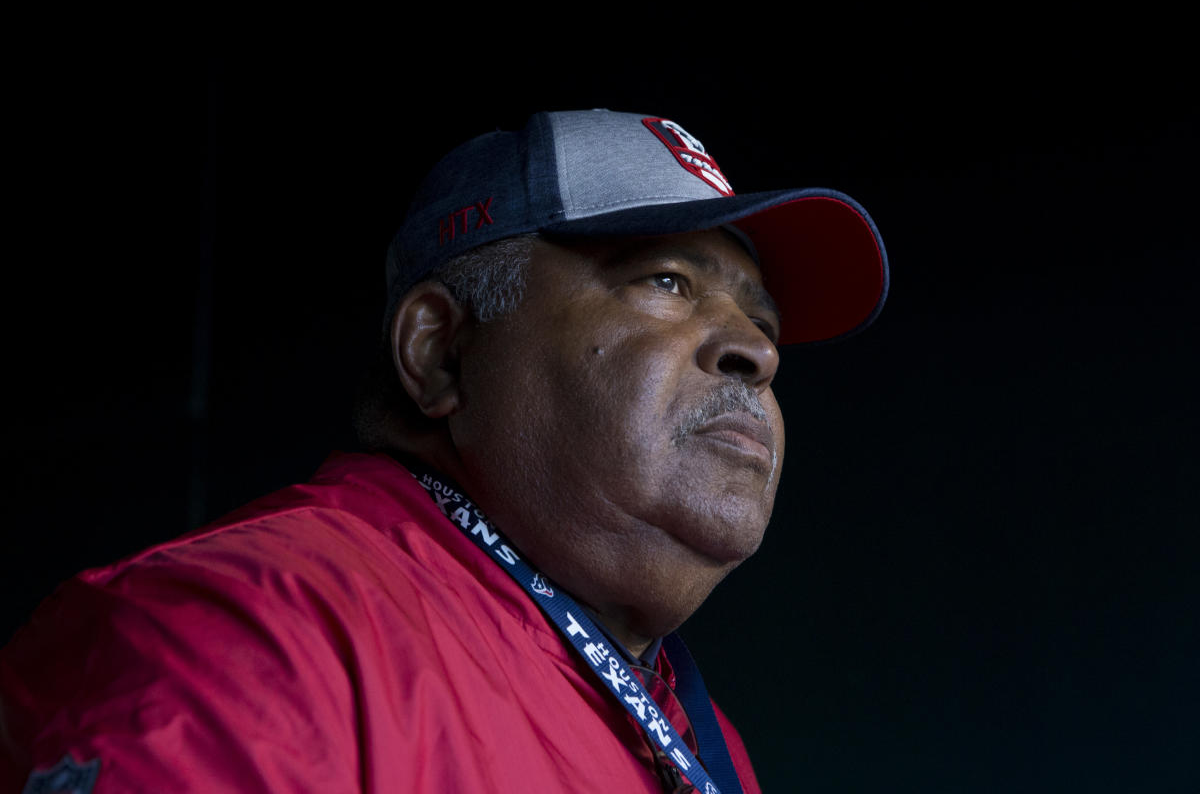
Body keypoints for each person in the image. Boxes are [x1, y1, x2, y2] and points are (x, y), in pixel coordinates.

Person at [1, 109, 888, 793]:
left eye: (761, 323)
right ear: (439, 349)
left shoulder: (702, 739)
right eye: (665, 281)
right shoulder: (252, 634)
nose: (757, 351)